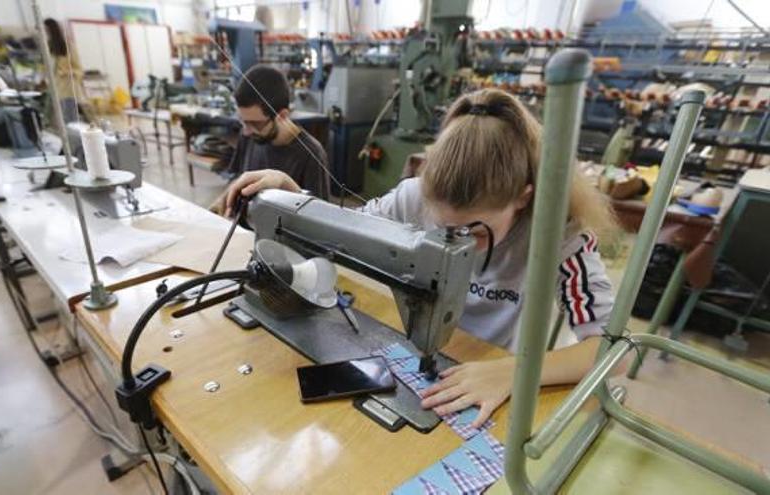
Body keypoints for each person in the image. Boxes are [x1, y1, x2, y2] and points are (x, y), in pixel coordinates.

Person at [220, 88, 618, 428]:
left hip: (490, 370)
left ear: (523, 197)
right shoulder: (413, 196)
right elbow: (343, 231)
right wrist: (294, 199)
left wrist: (515, 372)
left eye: (475, 232)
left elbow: (612, 350)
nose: (457, 244)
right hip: (436, 360)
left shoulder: (560, 238)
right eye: (443, 230)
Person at [208, 65, 330, 214]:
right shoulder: (249, 134)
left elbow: (319, 216)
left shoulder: (311, 154)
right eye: (243, 121)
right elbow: (238, 176)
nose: (246, 131)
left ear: (282, 116)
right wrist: (224, 199)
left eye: (254, 123)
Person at [43, 18, 93, 123]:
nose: (45, 33)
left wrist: (66, 72)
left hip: (68, 91)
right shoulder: (49, 47)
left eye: (46, 30)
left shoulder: (67, 46)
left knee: (70, 123)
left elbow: (79, 70)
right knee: (55, 123)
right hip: (55, 91)